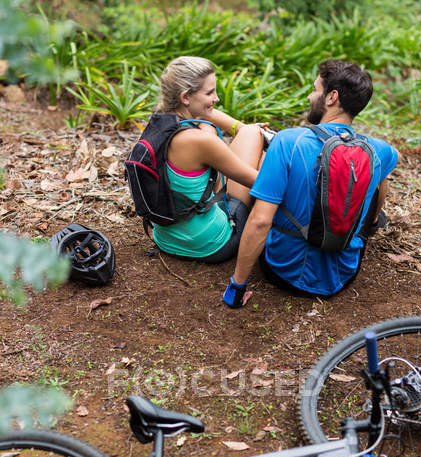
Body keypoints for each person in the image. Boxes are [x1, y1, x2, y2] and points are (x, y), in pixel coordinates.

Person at [223, 59, 399, 308]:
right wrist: (372, 218)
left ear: (332, 97)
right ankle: (370, 224)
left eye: (315, 89)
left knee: (267, 168)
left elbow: (261, 220)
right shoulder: (376, 149)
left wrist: (237, 286)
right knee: (378, 172)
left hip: (284, 271)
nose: (309, 96)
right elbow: (395, 158)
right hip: (345, 271)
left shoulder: (288, 141)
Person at [151, 56, 265, 263]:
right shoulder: (201, 140)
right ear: (185, 97)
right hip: (209, 244)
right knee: (256, 143)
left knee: (247, 133)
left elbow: (205, 115)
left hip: (165, 238)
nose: (217, 99)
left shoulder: (159, 121)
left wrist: (237, 128)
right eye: (210, 93)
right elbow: (262, 185)